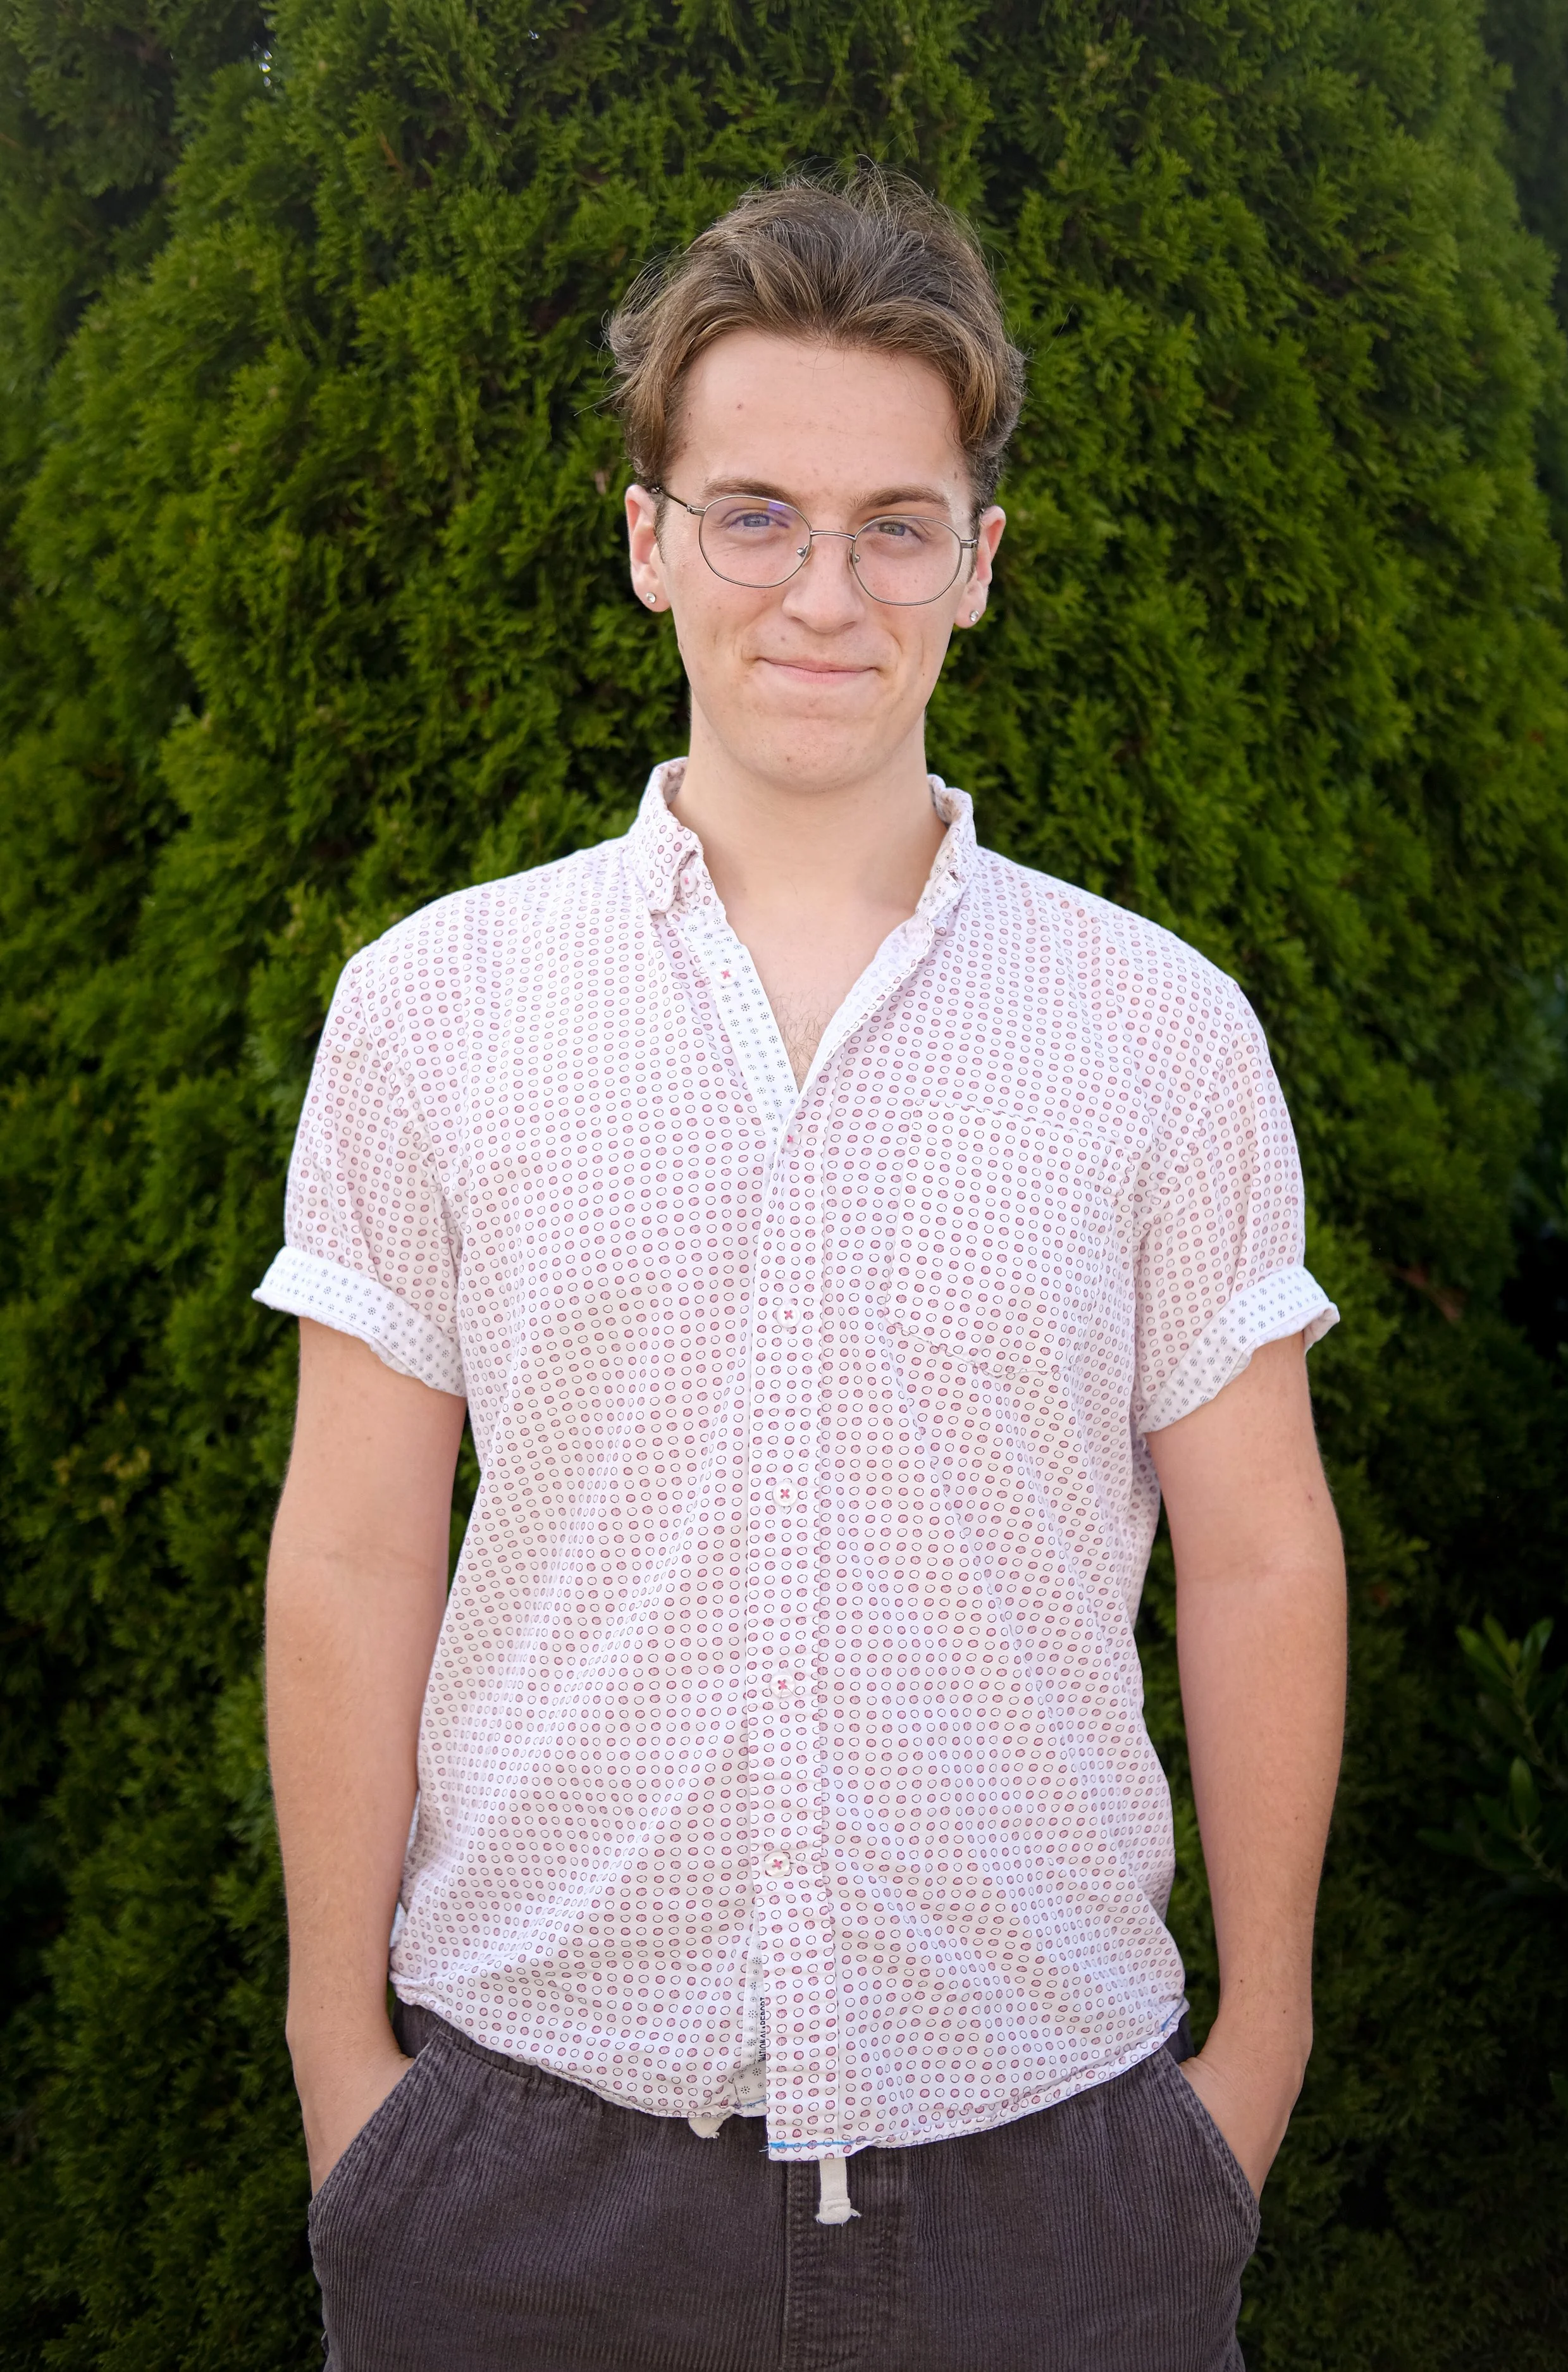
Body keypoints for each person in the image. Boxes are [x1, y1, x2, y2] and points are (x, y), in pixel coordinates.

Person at [259, 170, 1347, 2372]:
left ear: (978, 564)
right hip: (518, 2183)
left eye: (890, 523)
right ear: (648, 537)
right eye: (752, 513)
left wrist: (1251, 2068)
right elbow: (360, 1542)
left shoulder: (1156, 1029)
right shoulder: (436, 1006)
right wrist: (339, 2072)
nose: (819, 590)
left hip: (1055, 2184)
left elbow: (1254, 1554)